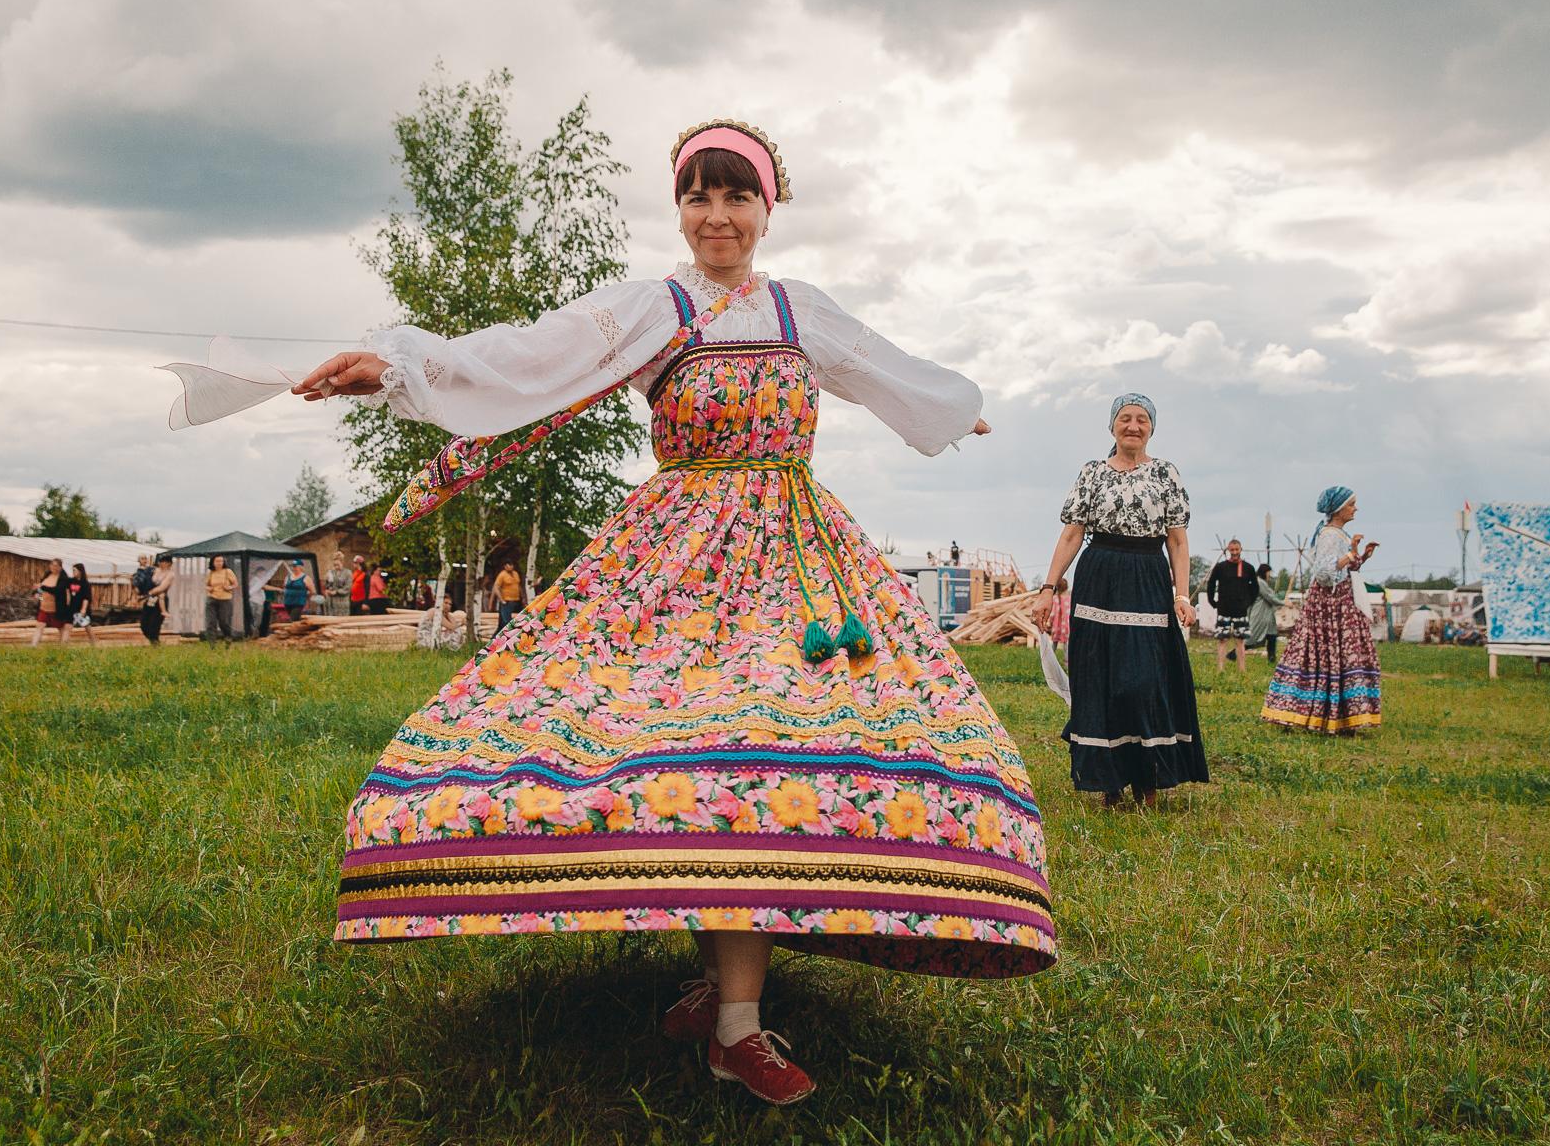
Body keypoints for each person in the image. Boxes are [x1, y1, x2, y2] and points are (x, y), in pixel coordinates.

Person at [288, 118, 1053, 1105]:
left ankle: (730, 1008)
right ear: (680, 207)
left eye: (738, 196)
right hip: (676, 558)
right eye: (701, 195)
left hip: (797, 557)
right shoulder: (651, 308)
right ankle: (732, 1012)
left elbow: (877, 367)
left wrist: (949, 407)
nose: (719, 215)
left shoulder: (796, 308)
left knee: (770, 745)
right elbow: (525, 358)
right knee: (692, 747)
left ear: (768, 208)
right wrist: (395, 367)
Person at [1033, 393, 1205, 811]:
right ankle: (1108, 780)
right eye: (1125, 418)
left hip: (1147, 575)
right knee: (1101, 677)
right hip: (1099, 578)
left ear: (1152, 428)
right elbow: (1073, 533)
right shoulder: (1092, 473)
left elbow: (1177, 541)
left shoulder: (1166, 474)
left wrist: (1181, 594)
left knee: (1144, 680)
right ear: (1112, 426)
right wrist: (1048, 588)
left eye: (1142, 419)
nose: (1133, 425)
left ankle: (1149, 777)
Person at [1261, 487, 1382, 735]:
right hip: (1329, 606)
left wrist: (1362, 555)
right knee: (1323, 655)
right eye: (1352, 504)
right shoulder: (1329, 535)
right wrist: (1350, 554)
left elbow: (1344, 569)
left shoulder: (1339, 534)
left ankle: (1342, 716)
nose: (1355, 508)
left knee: (1342, 656)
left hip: (1342, 603)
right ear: (1339, 509)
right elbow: (1325, 574)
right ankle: (1313, 712)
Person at [1204, 539, 1261, 672]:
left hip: (1241, 610)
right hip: (1223, 609)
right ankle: (1220, 668)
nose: (1234, 552)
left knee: (1240, 641)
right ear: (1228, 550)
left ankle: (1242, 669)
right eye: (1232, 550)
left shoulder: (1248, 568)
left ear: (1241, 549)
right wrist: (1213, 602)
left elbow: (1255, 588)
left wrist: (1248, 602)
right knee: (1222, 640)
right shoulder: (1221, 567)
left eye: (1237, 550)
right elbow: (1211, 584)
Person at [1245, 562, 1285, 664]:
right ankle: (1233, 655)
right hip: (1260, 615)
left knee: (1272, 637)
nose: (1269, 575)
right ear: (1264, 572)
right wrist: (1284, 603)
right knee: (1252, 639)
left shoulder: (1261, 582)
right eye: (1268, 572)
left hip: (1267, 617)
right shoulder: (1259, 582)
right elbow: (1269, 597)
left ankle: (1272, 659)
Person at [30, 558, 70, 646]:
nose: (53, 567)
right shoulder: (47, 574)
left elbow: (57, 591)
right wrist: (38, 596)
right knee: (40, 626)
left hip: (56, 608)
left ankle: (63, 646)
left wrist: (43, 587)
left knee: (61, 628)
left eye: (56, 565)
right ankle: (33, 645)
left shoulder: (63, 578)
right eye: (52, 565)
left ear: (60, 567)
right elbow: (40, 589)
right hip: (43, 608)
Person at [203, 555, 237, 644]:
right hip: (212, 599)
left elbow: (235, 584)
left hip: (225, 599)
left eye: (221, 561)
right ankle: (212, 644)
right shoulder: (210, 572)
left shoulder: (228, 571)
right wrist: (208, 588)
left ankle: (228, 637)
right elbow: (206, 585)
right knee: (210, 622)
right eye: (217, 561)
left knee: (224, 621)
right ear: (213, 562)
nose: (219, 563)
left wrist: (229, 587)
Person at [63, 562, 99, 646]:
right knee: (67, 627)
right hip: (72, 608)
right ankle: (63, 647)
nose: (73, 572)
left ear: (80, 571)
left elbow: (86, 598)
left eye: (75, 570)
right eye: (72, 570)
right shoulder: (71, 581)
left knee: (87, 628)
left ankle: (94, 644)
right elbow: (63, 582)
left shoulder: (85, 584)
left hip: (81, 608)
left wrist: (83, 609)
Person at [141, 556, 174, 645]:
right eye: (160, 562)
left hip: (160, 598)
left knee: (154, 624)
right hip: (150, 598)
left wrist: (150, 593)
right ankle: (153, 641)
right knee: (144, 624)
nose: (162, 564)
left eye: (164, 562)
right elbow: (146, 578)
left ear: (169, 563)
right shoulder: (155, 570)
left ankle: (155, 643)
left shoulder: (170, 574)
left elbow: (162, 587)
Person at [493, 561, 524, 632]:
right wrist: (501, 600)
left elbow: (519, 586)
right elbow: (496, 587)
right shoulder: (502, 575)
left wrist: (523, 597)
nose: (510, 567)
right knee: (506, 620)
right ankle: (508, 635)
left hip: (516, 600)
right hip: (506, 601)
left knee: (503, 622)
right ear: (505, 566)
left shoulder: (515, 573)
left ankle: (496, 637)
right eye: (509, 565)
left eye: (511, 565)